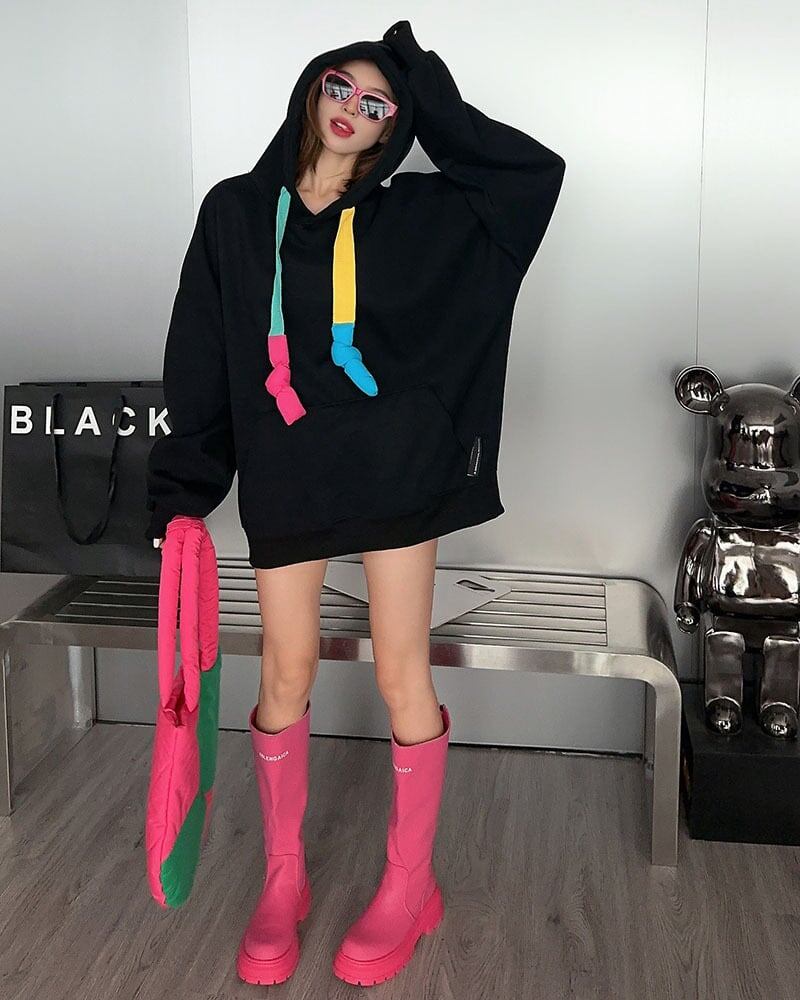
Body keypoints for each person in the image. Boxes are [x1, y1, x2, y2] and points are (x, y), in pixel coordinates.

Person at [145, 19, 565, 987]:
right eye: (341, 86)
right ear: (312, 89)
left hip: (393, 468)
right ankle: (283, 878)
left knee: (400, 674)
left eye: (378, 104)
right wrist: (183, 494)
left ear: (391, 128)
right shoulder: (234, 213)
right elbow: (200, 357)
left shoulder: (413, 213)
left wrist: (424, 86)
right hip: (287, 468)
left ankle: (410, 886)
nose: (352, 109)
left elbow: (528, 180)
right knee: (283, 672)